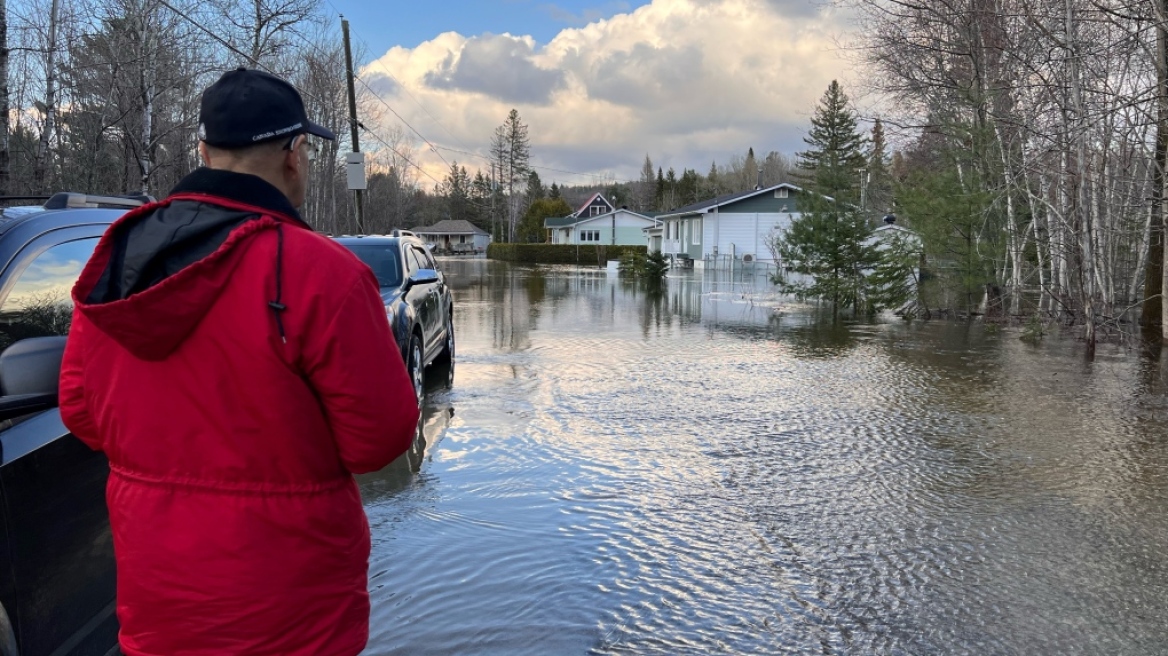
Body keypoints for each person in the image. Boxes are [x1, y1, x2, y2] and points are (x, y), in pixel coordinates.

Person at [58, 68, 420, 656]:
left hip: (160, 596)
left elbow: (81, 411)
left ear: (202, 151)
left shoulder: (119, 257)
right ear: (295, 155)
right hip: (294, 610)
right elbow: (378, 440)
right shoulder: (326, 274)